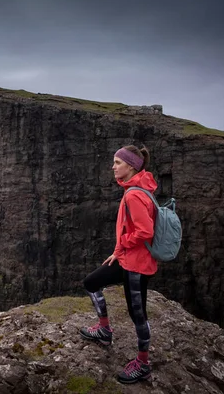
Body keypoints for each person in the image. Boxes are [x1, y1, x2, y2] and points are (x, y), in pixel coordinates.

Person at [80, 145, 157, 384]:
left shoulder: (134, 195)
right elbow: (126, 227)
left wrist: (123, 243)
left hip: (136, 265)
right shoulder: (136, 189)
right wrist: (117, 251)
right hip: (126, 259)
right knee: (91, 282)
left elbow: (145, 231)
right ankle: (104, 330)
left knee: (138, 315)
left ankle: (143, 364)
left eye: (117, 162)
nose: (113, 167)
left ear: (131, 166)